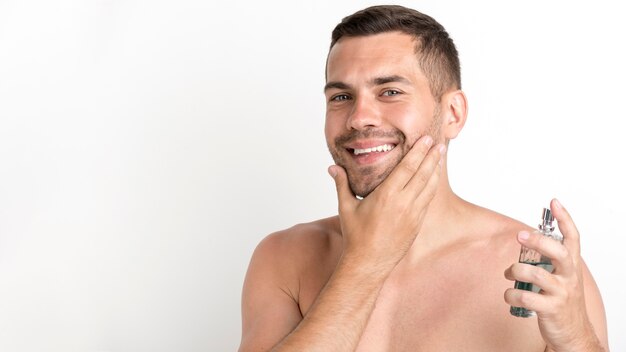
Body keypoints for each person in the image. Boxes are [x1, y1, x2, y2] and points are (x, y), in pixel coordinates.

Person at [238, 5, 609, 352]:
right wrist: (365, 262)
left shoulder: (539, 273)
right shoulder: (284, 258)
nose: (358, 117)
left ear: (453, 113)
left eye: (391, 92)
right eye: (341, 96)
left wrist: (576, 337)